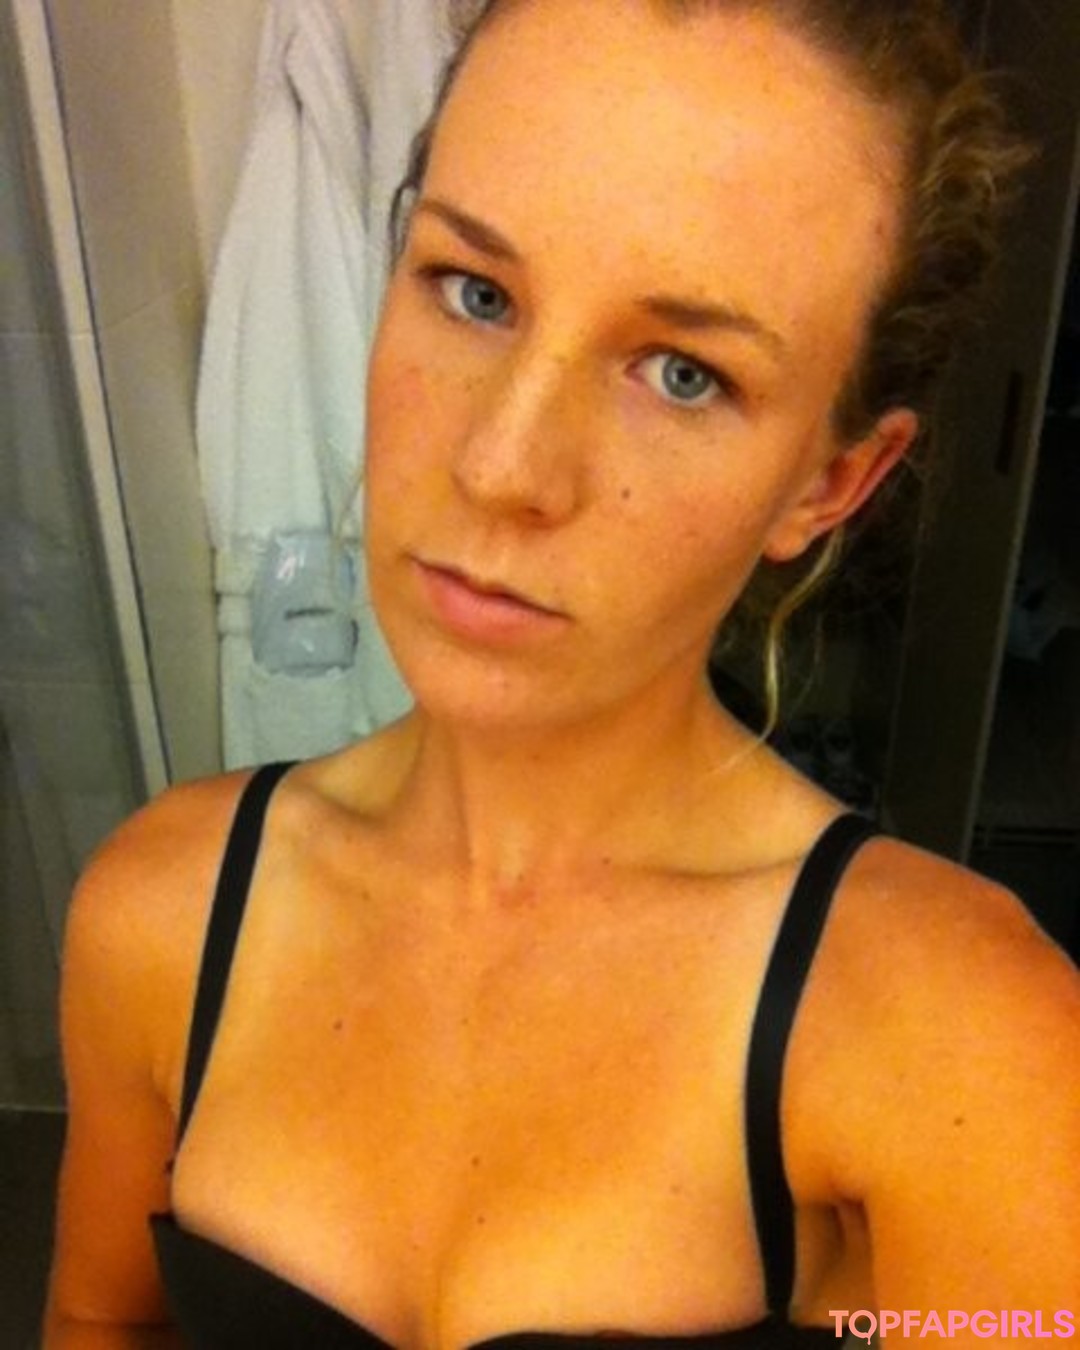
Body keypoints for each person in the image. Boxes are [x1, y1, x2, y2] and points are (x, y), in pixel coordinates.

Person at [44, 1, 1080, 1346]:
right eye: (474, 293)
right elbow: (101, 1319)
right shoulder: (162, 911)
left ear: (830, 481)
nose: (500, 467)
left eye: (684, 374)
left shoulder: (966, 1045)